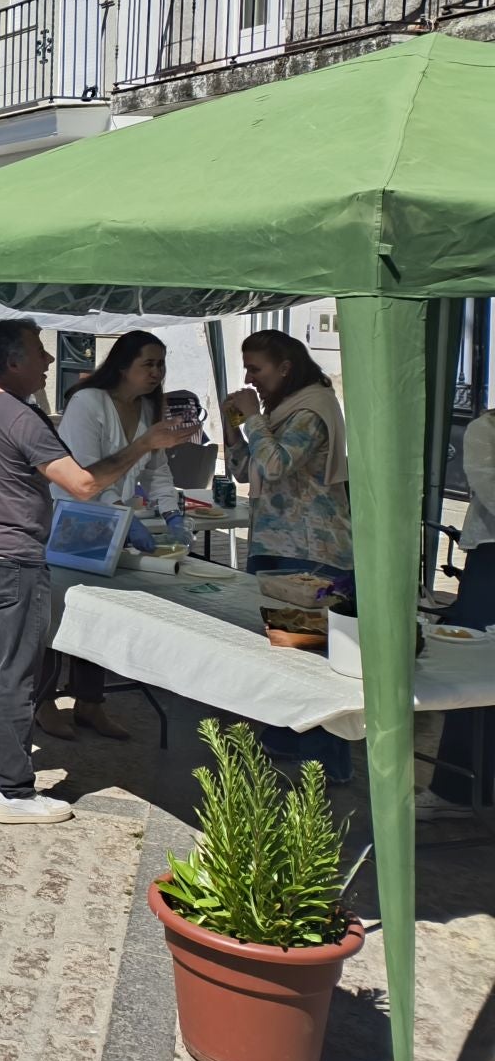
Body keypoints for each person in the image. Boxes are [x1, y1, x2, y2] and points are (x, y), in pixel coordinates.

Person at [0, 320, 190, 825]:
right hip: (13, 559)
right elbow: (82, 485)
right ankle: (13, 791)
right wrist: (143, 445)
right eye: (38, 353)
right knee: (16, 674)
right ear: (11, 362)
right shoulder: (22, 417)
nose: (50, 361)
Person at [223, 328, 355, 782]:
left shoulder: (312, 410)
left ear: (285, 368)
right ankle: (284, 738)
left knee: (312, 658)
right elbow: (248, 470)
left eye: (256, 368)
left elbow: (277, 465)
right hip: (277, 545)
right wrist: (234, 428)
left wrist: (253, 420)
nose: (249, 377)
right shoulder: (280, 411)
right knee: (282, 650)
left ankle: (327, 760)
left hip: (312, 549)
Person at [43, 330, 188, 741]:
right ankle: (44, 703)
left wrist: (171, 513)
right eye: (149, 363)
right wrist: (122, 515)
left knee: (98, 613)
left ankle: (91, 703)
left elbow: (157, 472)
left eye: (161, 363)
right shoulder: (89, 402)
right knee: (57, 611)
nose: (157, 372)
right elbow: (84, 475)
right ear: (123, 365)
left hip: (114, 525)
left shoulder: (147, 408)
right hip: (72, 520)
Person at [421, 406, 495, 820]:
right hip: (491, 560)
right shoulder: (487, 428)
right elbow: (492, 491)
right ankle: (458, 789)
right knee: (475, 671)